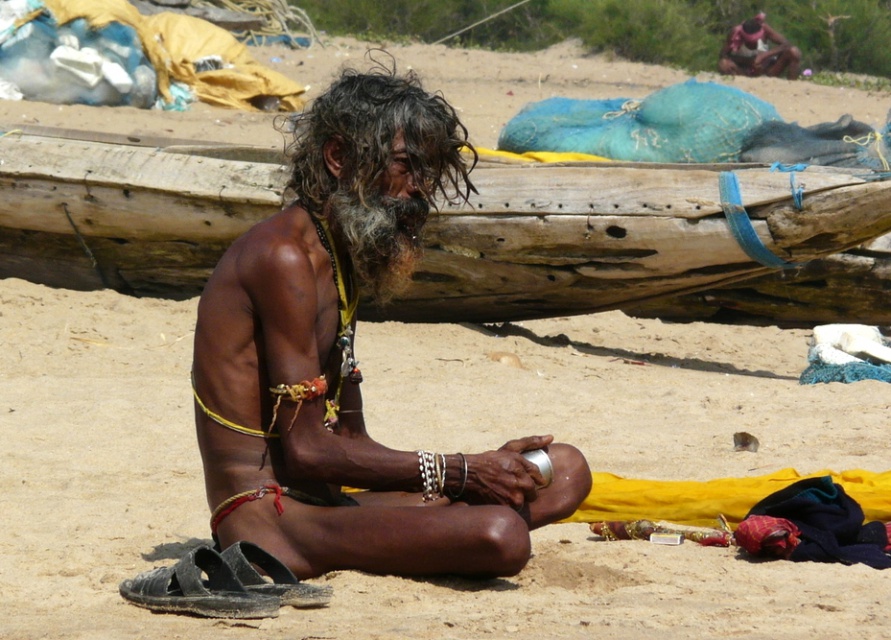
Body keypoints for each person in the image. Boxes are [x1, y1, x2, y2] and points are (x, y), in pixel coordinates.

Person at [191, 61, 593, 580]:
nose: (419, 187)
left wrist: (477, 472)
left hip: (324, 501)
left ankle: (431, 531)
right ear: (338, 158)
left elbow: (352, 443)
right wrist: (459, 472)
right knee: (502, 534)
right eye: (406, 166)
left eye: (428, 171)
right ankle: (415, 537)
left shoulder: (337, 257)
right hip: (267, 518)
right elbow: (306, 451)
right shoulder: (282, 257)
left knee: (563, 469)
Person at [718, 12, 801, 80]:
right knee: (723, 64)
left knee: (794, 52)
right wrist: (748, 61)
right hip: (744, 72)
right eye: (750, 43)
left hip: (767, 70)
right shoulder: (735, 33)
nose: (754, 45)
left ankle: (792, 84)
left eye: (757, 42)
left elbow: (786, 44)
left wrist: (763, 56)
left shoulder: (764, 28)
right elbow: (723, 55)